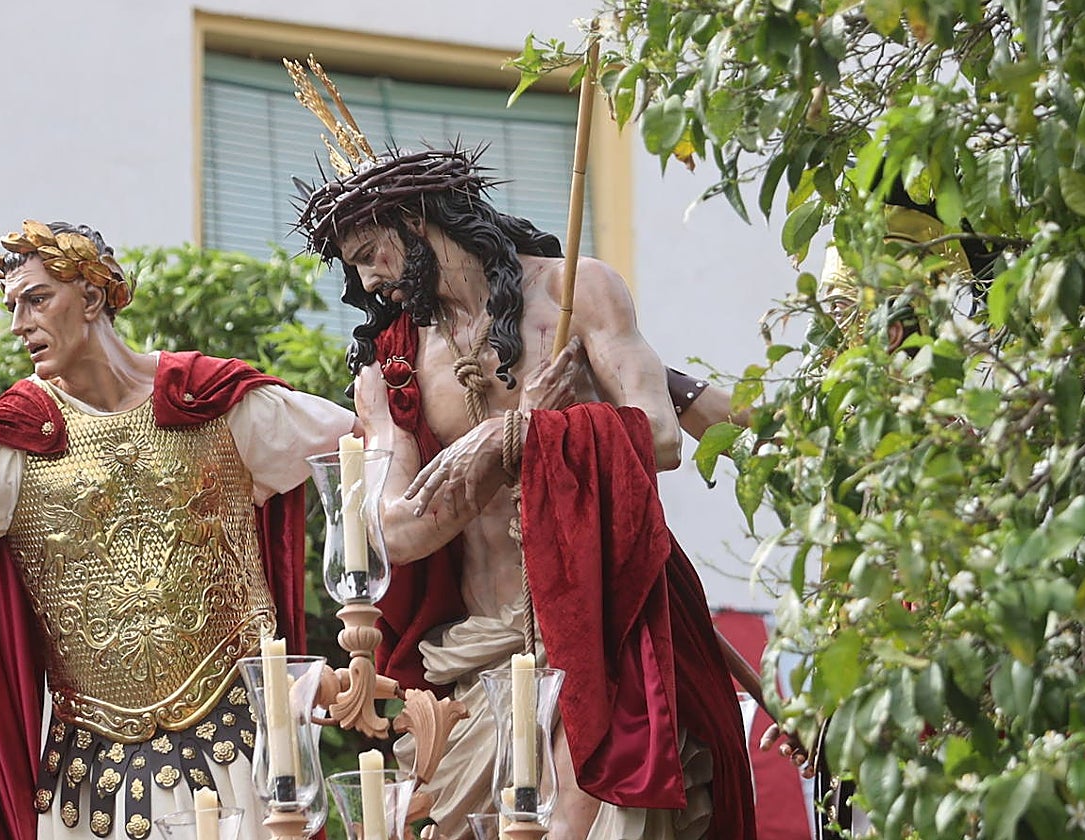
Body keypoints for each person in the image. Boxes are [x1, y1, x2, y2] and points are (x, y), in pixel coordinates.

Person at [287, 60, 756, 840]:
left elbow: (661, 438)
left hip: (600, 639)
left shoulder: (578, 292)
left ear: (425, 220)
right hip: (475, 658)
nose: (369, 280)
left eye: (374, 251)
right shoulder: (389, 369)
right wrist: (500, 444)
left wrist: (524, 433)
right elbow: (396, 531)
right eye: (355, 265)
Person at [0, 220, 356, 840]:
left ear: (93, 298)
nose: (19, 323)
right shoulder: (14, 441)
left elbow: (371, 460)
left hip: (245, 749)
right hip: (95, 786)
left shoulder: (212, 400)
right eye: (12, 305)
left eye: (37, 299)